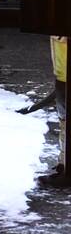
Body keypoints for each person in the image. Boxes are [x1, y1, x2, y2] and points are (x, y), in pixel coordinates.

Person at [39, 36, 70, 187]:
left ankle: (66, 171)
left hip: (65, 75)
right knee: (64, 120)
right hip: (62, 74)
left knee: (65, 121)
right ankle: (64, 166)